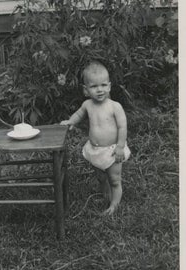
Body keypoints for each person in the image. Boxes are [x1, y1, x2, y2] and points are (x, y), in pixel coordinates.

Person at [60, 61, 130, 215]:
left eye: (103, 85)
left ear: (110, 86)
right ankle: (106, 196)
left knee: (114, 179)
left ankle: (114, 205)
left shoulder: (115, 106)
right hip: (96, 150)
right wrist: (71, 121)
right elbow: (79, 114)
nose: (100, 90)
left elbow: (122, 128)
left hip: (113, 151)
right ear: (86, 90)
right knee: (101, 177)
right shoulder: (87, 105)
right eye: (94, 86)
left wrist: (120, 147)